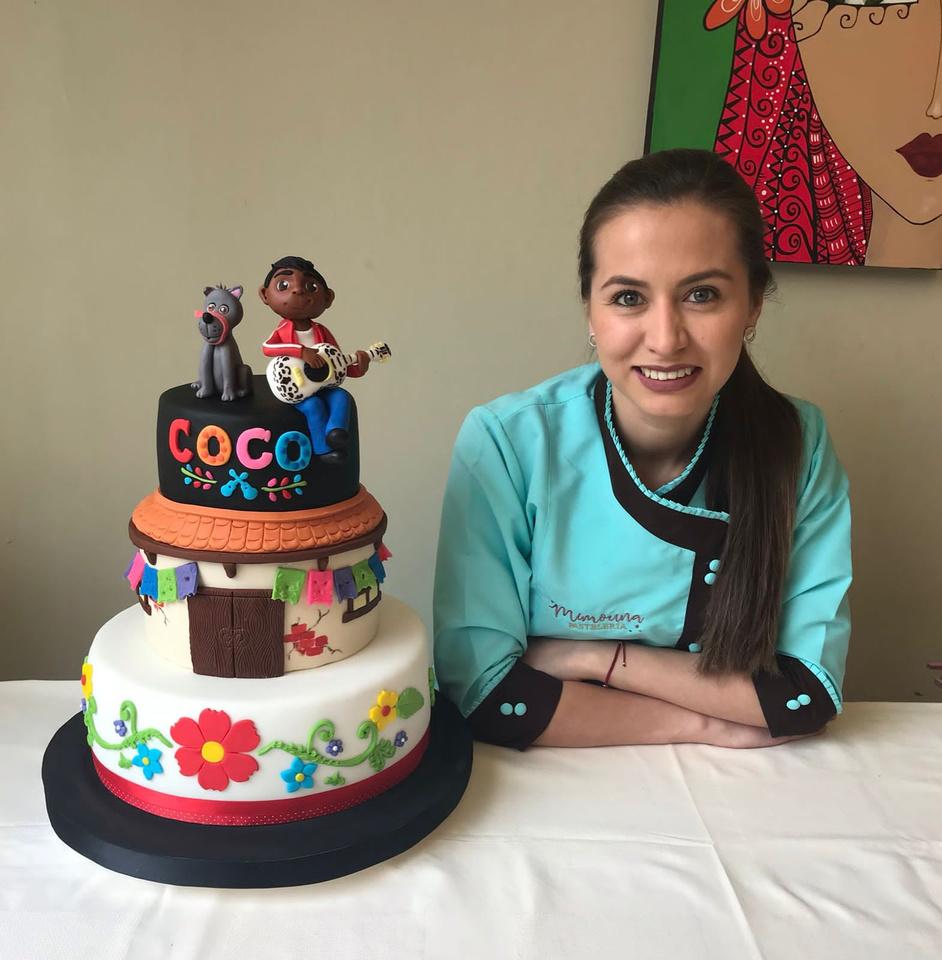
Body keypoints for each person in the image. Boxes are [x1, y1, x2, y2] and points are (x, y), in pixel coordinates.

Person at [433, 148, 851, 750]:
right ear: (590, 309)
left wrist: (595, 658)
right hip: (547, 780)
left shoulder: (796, 444)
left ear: (753, 305)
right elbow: (487, 696)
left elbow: (804, 695)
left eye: (701, 295)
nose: (665, 339)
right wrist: (704, 722)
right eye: (629, 297)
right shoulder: (507, 444)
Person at [259, 256, 371, 463]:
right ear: (265, 295)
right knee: (313, 406)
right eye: (283, 285)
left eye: (311, 287)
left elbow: (336, 364)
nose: (298, 290)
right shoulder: (283, 330)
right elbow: (267, 348)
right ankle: (323, 449)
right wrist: (301, 352)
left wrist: (360, 367)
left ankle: (335, 432)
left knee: (342, 397)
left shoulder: (322, 332)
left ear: (328, 298)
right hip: (296, 388)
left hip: (322, 384)